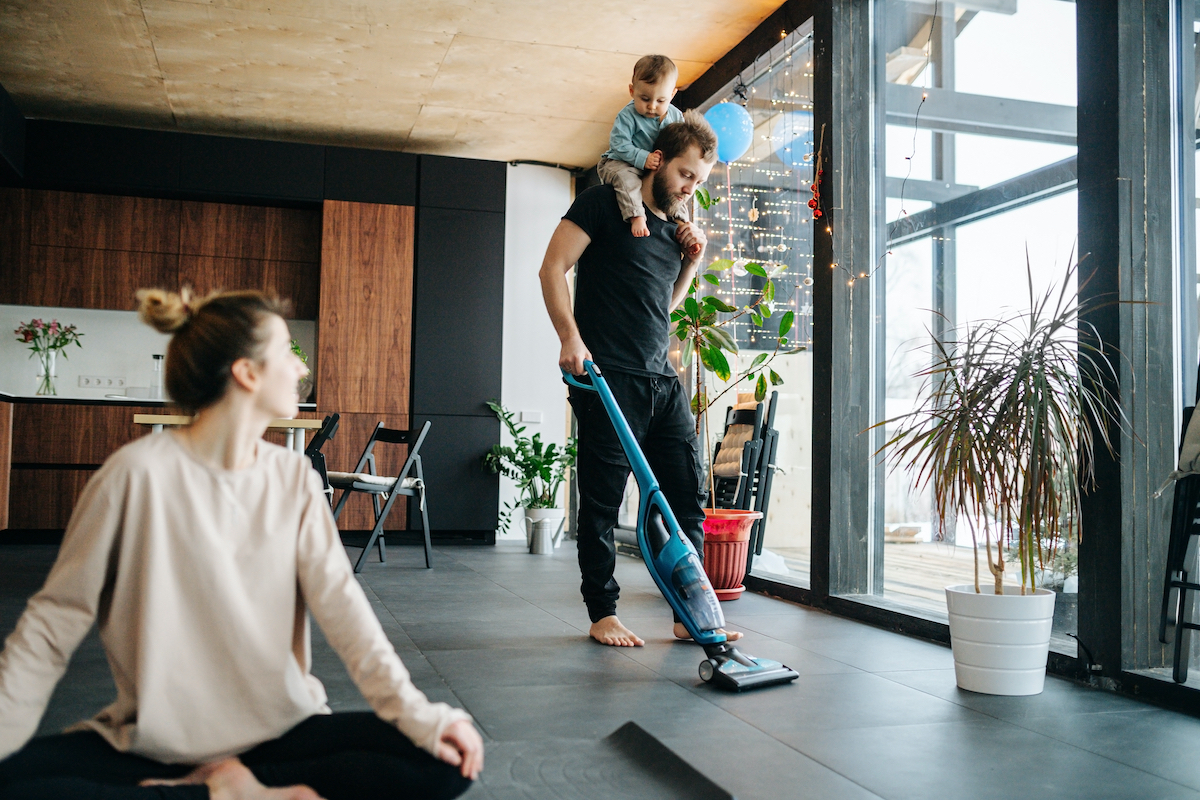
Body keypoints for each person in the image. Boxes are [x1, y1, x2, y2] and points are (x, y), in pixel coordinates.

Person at [0, 289, 483, 800]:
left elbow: (348, 617)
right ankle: (223, 793)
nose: (300, 370)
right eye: (286, 353)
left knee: (446, 760)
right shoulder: (134, 477)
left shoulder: (294, 479)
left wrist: (421, 717)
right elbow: (50, 631)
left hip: (281, 733)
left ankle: (227, 788)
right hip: (156, 747)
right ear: (247, 373)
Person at [539, 111, 743, 648]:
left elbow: (663, 308)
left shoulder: (673, 230)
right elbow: (552, 268)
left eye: (697, 181)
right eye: (683, 174)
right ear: (659, 159)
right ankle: (603, 612)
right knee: (603, 500)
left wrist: (692, 262)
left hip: (661, 378)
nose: (688, 187)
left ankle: (687, 612)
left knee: (686, 496)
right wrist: (569, 337)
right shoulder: (604, 204)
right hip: (607, 376)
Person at [598, 54, 686, 239]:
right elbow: (619, 144)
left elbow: (681, 145)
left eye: (661, 101)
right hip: (621, 162)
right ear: (632, 91)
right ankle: (636, 215)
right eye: (645, 98)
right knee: (627, 181)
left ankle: (682, 221)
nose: (652, 106)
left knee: (674, 186)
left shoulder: (676, 117)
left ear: (672, 94)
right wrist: (643, 158)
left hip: (653, 168)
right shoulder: (627, 115)